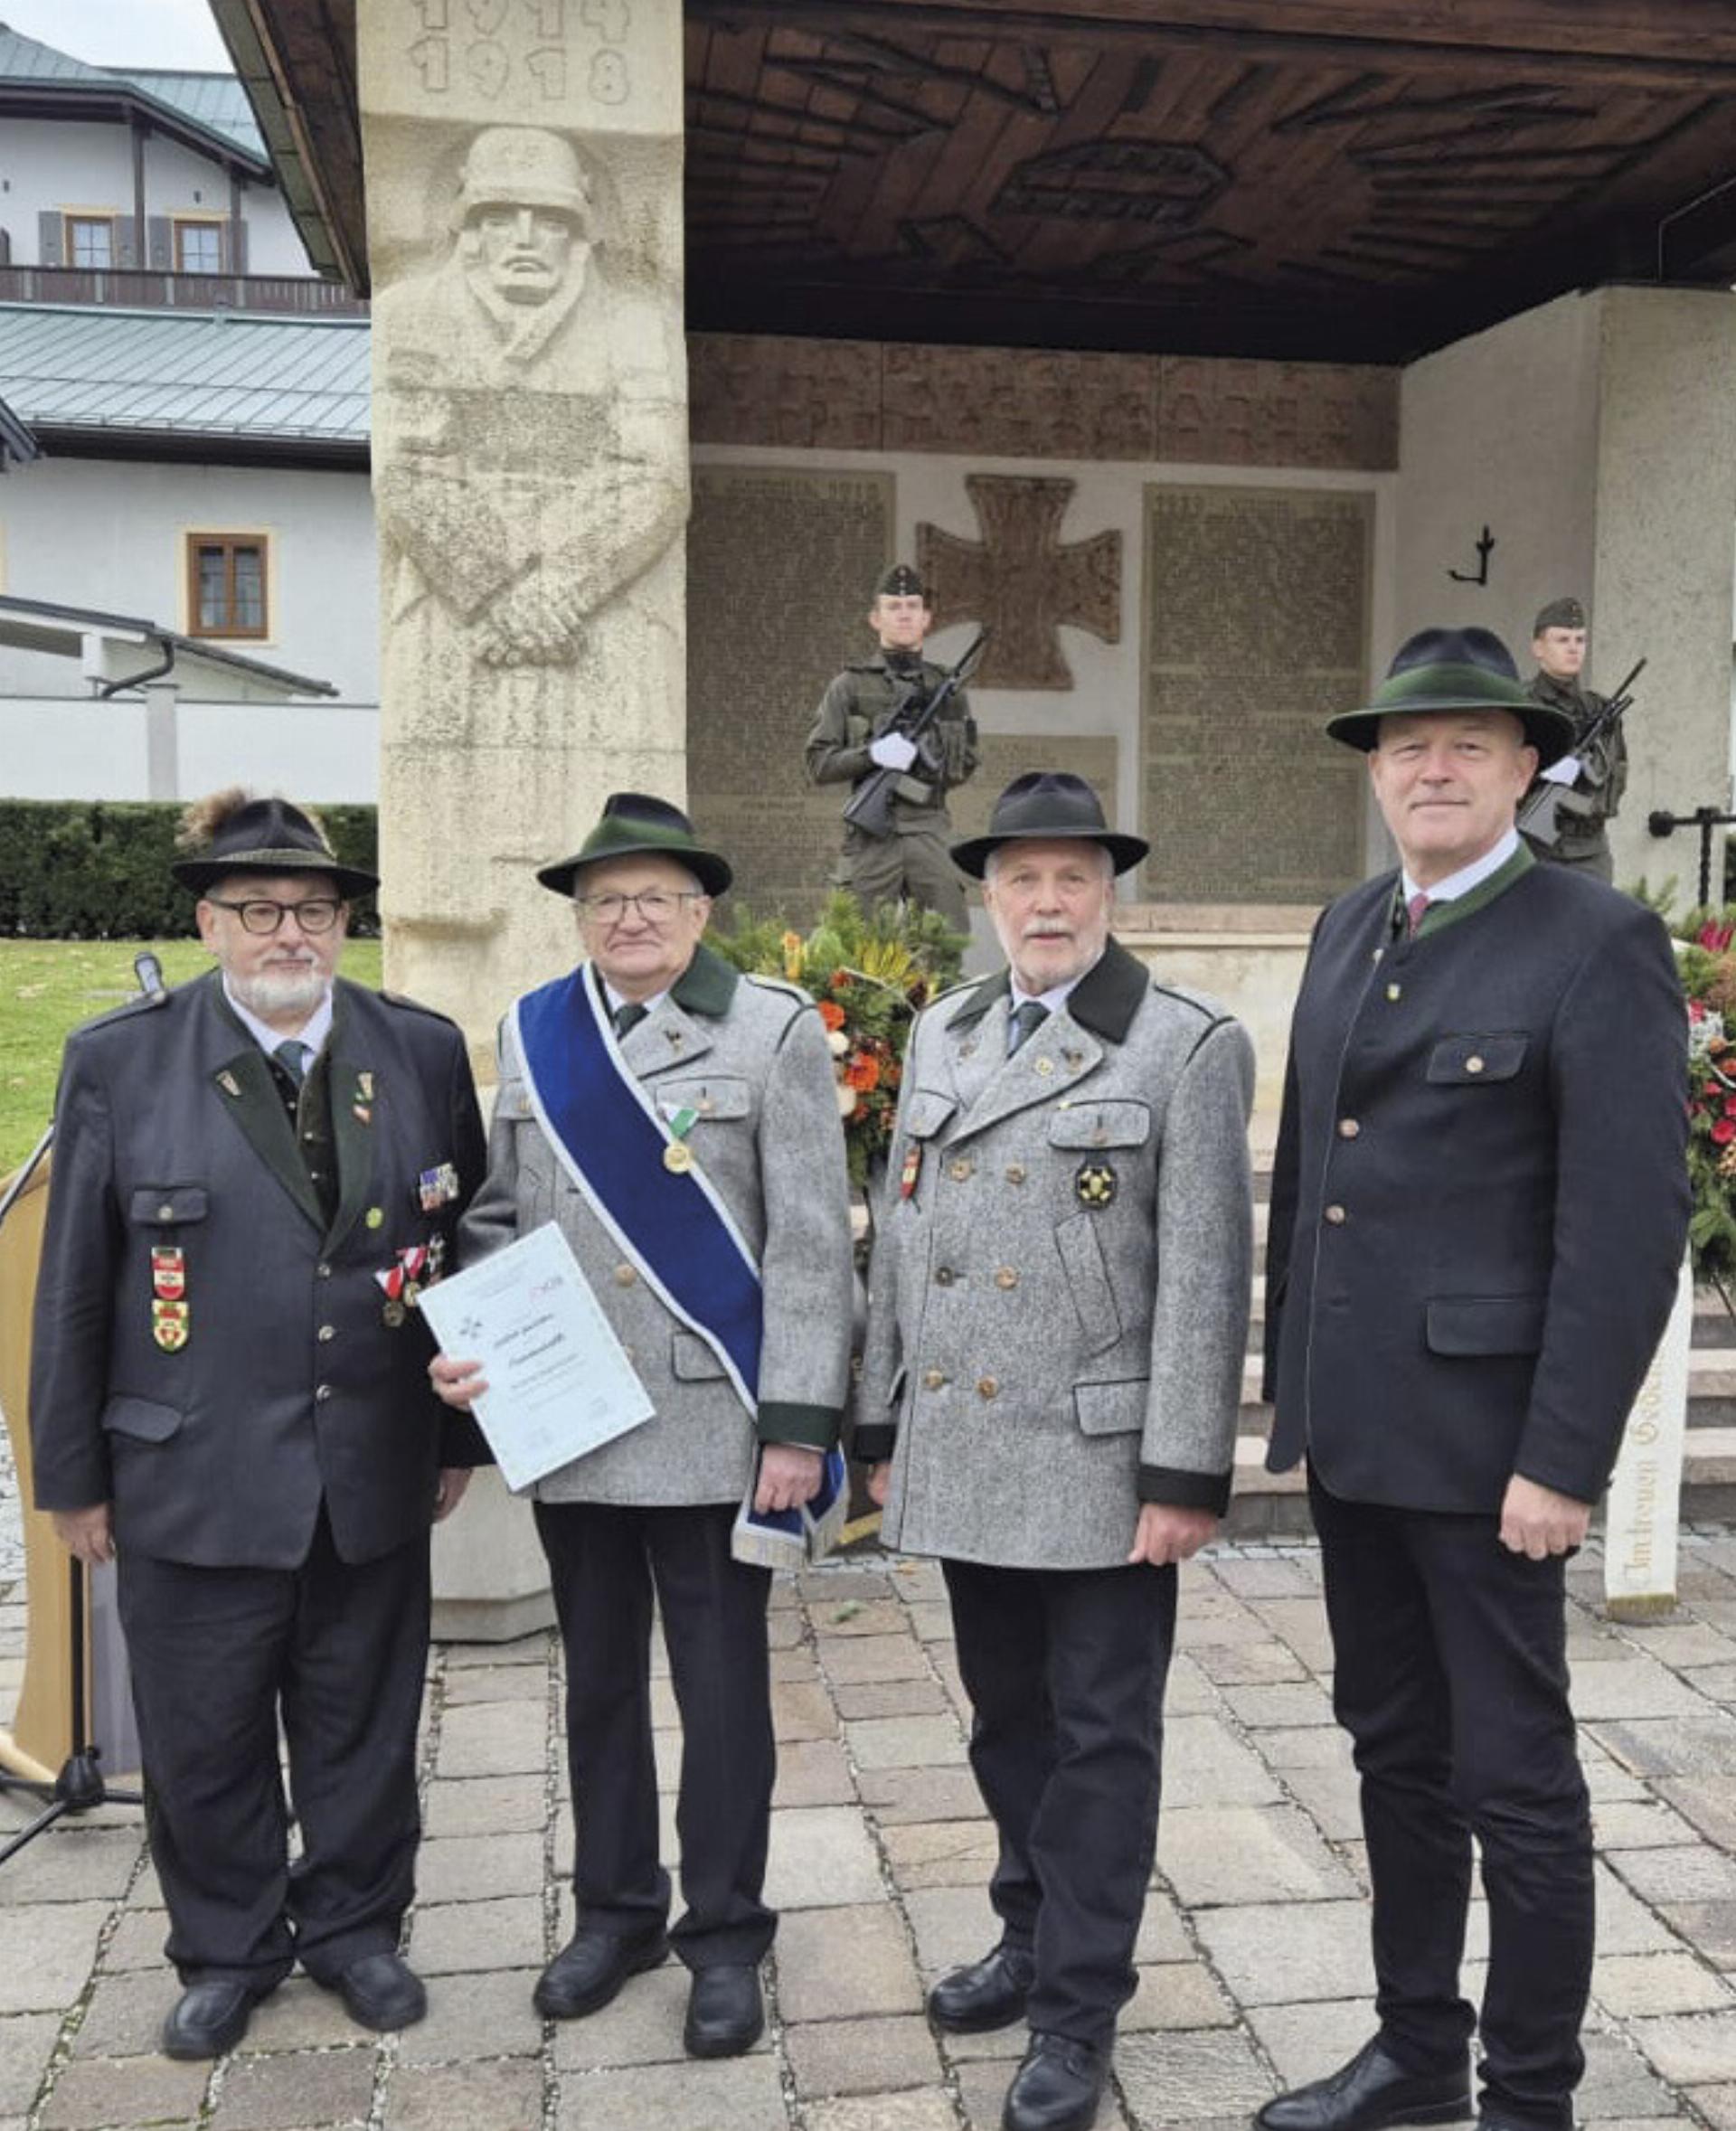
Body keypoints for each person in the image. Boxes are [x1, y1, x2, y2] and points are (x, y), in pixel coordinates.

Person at [1260, 628, 1689, 2131]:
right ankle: (1415, 2049)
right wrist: (1290, 1401)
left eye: (1465, 744)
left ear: (1523, 766)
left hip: (1496, 1450)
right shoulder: (1344, 924)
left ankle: (1530, 2094)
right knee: (1394, 1755)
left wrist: (1565, 1459)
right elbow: (1315, 1176)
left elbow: (1625, 1227)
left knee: (1515, 1782)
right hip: (1361, 1443)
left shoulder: (1595, 938)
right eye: (1404, 746)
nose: (1430, 768)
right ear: (1377, 773)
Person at [29, 791, 486, 2060]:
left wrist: (458, 1442)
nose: (289, 932)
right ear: (208, 921)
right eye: (257, 910)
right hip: (189, 1468)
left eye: (315, 909)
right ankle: (226, 1946)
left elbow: (461, 1254)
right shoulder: (121, 1059)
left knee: (362, 1720)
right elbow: (74, 1282)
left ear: (345, 920)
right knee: (203, 1733)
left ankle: (353, 1928)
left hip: (370, 1468)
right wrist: (69, 1474)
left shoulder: (421, 1051)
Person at [855, 772, 1255, 2131]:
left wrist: (1185, 1472)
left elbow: (1205, 1276)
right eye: (1021, 879)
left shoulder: (1183, 1045)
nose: (1045, 901)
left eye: (1071, 878)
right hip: (967, 1444)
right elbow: (902, 1241)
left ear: (1107, 892)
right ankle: (1026, 1934)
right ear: (985, 895)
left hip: (1098, 1466)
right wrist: (878, 1421)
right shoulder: (944, 1031)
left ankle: (1077, 2010)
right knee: (1008, 1725)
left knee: (1101, 1743)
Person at [430, 792, 854, 2060]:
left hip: (716, 1419)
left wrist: (796, 1422)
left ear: (700, 910)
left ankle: (725, 1935)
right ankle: (614, 1913)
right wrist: (475, 1336)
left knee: (721, 1696)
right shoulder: (534, 1028)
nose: (628, 918)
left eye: (653, 897)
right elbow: (499, 1213)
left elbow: (816, 1251)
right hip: (573, 1420)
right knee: (600, 1686)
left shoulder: (772, 1032)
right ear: (580, 914)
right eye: (605, 899)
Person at [373, 126, 686, 672]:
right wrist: (497, 592)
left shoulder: (638, 324)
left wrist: (560, 589)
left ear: (577, 233)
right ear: (470, 230)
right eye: (499, 219)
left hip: (599, 597)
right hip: (458, 600)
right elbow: (406, 470)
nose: (523, 238)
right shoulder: (412, 314)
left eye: (548, 220)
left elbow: (656, 477)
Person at [804, 562, 979, 933]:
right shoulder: (849, 686)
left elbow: (965, 766)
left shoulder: (946, 688)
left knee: (944, 947)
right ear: (875, 619)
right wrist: (873, 755)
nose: (904, 615)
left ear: (926, 618)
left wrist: (931, 753)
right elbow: (819, 763)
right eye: (894, 608)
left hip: (929, 829)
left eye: (912, 607)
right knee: (855, 949)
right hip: (871, 839)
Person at [1522, 596, 1628, 882]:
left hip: (1590, 849)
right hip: (1534, 844)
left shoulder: (1600, 710)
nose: (1573, 648)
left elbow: (1613, 783)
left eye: (1580, 640)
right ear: (1538, 648)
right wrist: (1544, 778)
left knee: (1596, 924)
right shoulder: (1522, 706)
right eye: (1562, 640)